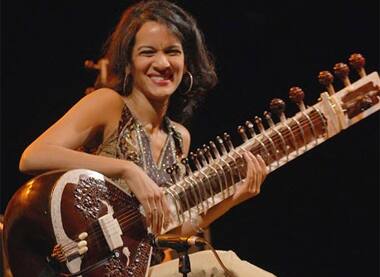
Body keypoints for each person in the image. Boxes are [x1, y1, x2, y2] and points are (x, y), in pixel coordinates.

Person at [19, 1, 274, 276]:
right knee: (226, 265)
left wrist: (231, 200)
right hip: (92, 270)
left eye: (172, 52)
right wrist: (127, 169)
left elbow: (165, 230)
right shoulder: (109, 104)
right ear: (129, 63)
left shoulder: (179, 137)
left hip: (141, 271)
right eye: (148, 52)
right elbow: (33, 156)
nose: (162, 63)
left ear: (186, 61)